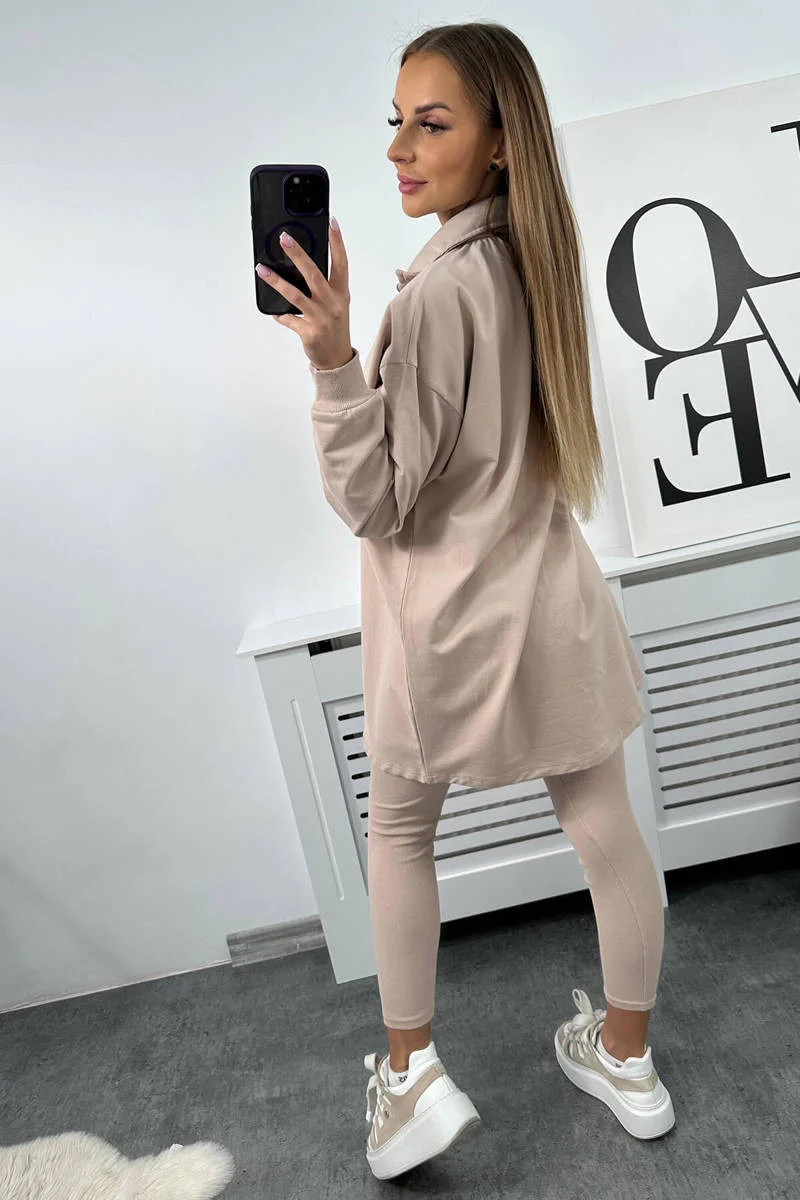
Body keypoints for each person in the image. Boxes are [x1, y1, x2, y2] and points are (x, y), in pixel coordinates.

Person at [258, 18, 675, 1181]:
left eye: (430, 123)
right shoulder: (529, 258)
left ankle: (408, 1080)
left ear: (499, 141)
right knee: (604, 829)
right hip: (555, 603)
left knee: (400, 834)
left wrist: (331, 362)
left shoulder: (438, 290)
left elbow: (376, 501)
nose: (397, 148)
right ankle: (626, 1058)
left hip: (442, 629)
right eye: (394, 121)